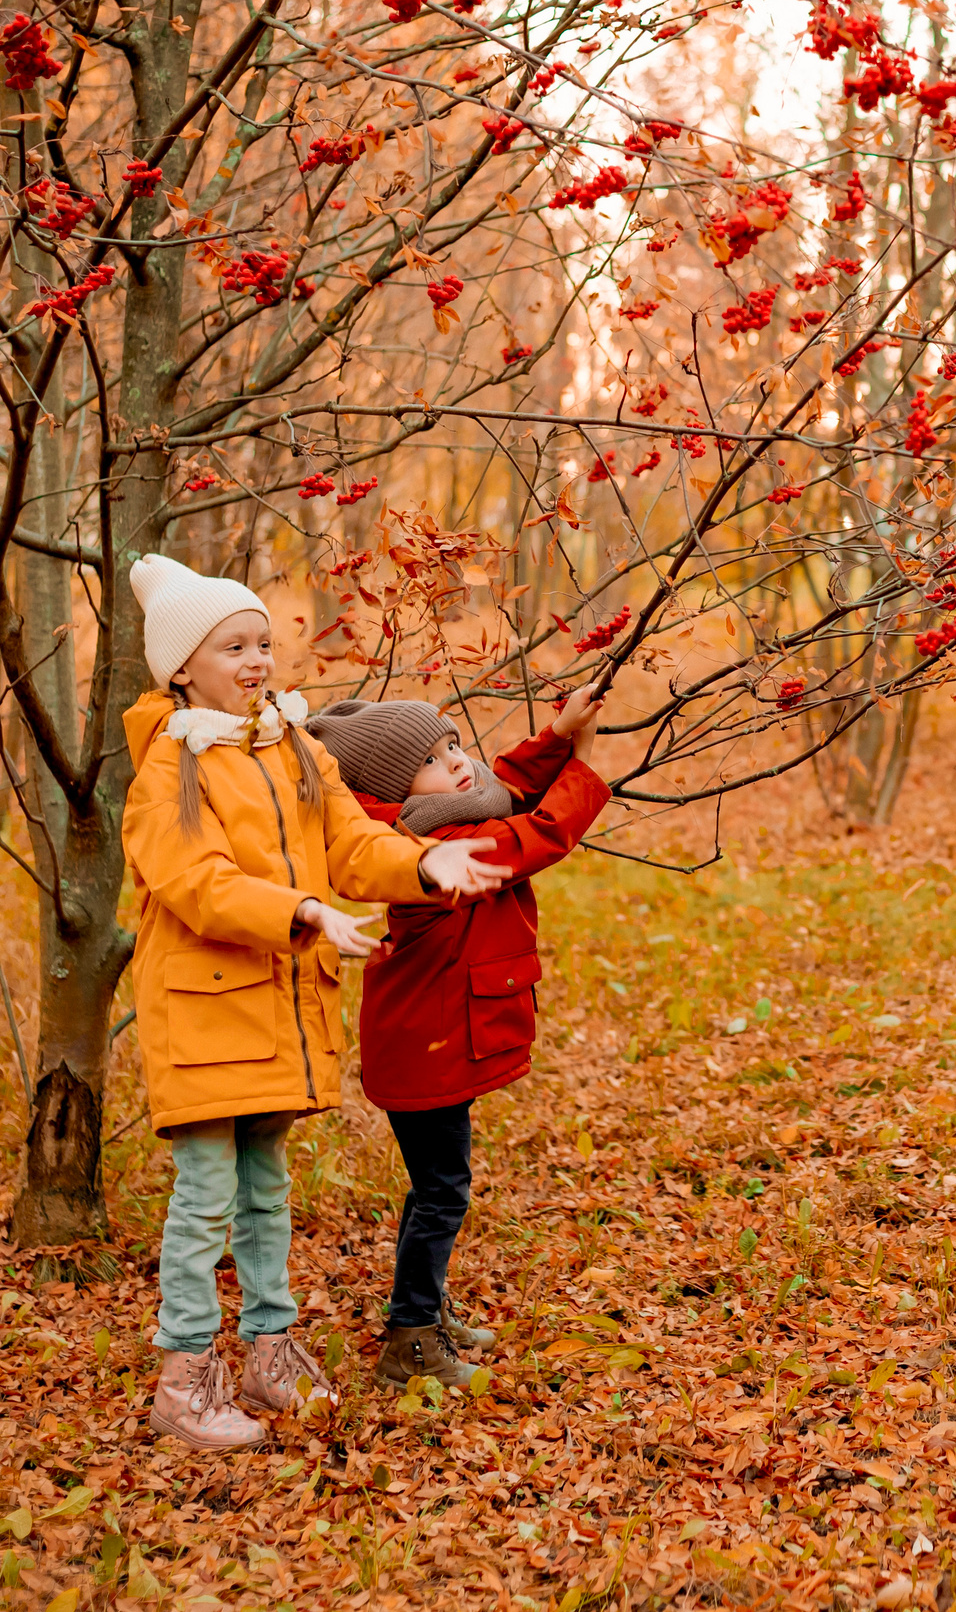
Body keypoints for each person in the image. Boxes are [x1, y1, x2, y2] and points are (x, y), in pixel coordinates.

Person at [120, 554, 510, 1450]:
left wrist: (420, 862)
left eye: (262, 641)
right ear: (183, 665)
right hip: (206, 1009)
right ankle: (183, 1378)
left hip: (275, 1008)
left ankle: (269, 1350)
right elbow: (195, 882)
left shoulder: (291, 746)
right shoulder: (170, 765)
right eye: (232, 646)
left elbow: (347, 841)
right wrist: (299, 911)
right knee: (205, 1197)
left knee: (266, 1191)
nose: (257, 659)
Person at [304, 688, 609, 1390]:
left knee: (433, 1187)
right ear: (394, 788)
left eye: (451, 745)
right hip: (426, 1046)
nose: (458, 763)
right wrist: (582, 764)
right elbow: (533, 836)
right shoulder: (432, 848)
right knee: (443, 1192)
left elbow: (501, 789)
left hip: (424, 1040)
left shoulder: (429, 818)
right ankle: (409, 1340)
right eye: (435, 761)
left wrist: (556, 733)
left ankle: (426, 1310)